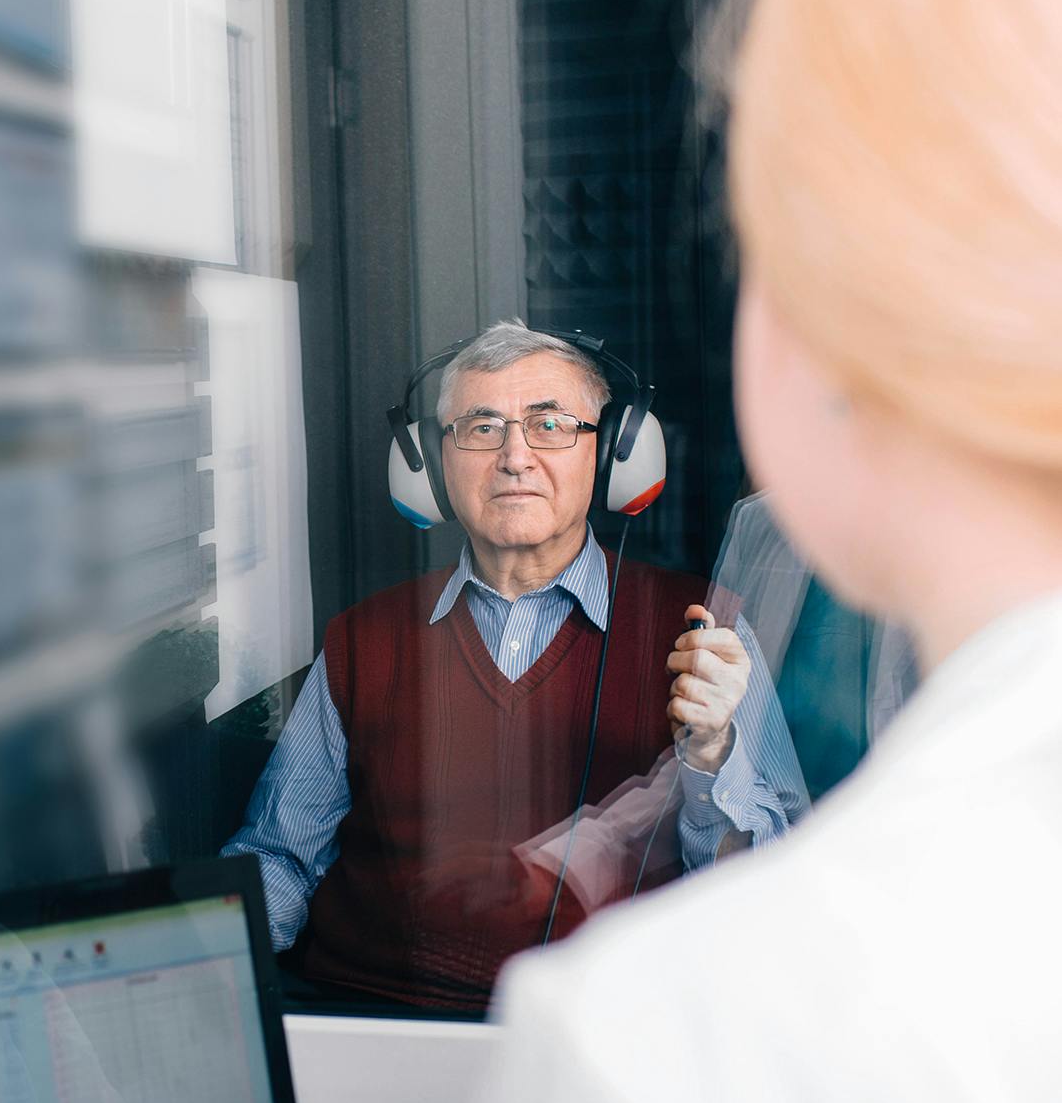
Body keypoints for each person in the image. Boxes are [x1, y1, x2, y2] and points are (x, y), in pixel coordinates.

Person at [428, 0, 1062, 1103]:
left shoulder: (667, 1068)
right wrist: (635, 812)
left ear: (823, 322)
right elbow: (717, 770)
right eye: (481, 429)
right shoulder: (759, 545)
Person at [224, 320, 806, 1009]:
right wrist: (203, 981)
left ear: (616, 457)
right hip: (374, 1022)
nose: (515, 457)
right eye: (480, 427)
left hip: (610, 1036)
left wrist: (713, 752)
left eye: (552, 424)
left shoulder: (705, 628)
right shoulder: (364, 640)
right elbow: (281, 859)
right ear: (431, 465)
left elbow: (773, 891)